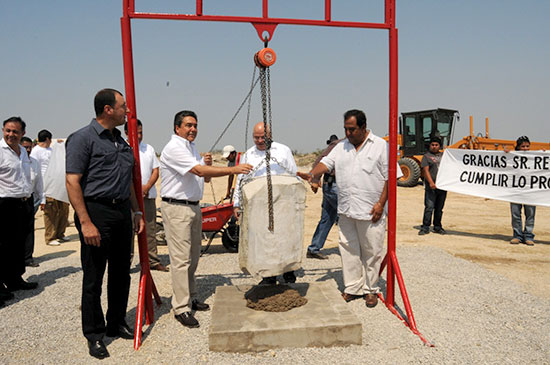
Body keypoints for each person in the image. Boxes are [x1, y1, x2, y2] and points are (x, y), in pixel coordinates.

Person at [65, 88, 145, 359]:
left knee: (121, 272)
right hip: (95, 212)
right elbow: (72, 181)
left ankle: (115, 322)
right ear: (108, 110)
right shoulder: (82, 139)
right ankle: (94, 334)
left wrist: (136, 212)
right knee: (94, 277)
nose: (127, 111)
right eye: (123, 107)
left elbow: (129, 182)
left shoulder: (120, 142)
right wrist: (86, 222)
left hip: (122, 212)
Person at [160, 110, 252, 329]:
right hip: (177, 208)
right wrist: (234, 169)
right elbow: (200, 172)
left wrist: (206, 165)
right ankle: (181, 307)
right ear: (177, 128)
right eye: (188, 125)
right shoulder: (173, 148)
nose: (193, 129)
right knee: (181, 260)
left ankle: (190, 296)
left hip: (193, 207)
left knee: (193, 256)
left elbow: (204, 177)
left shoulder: (190, 148)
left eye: (195, 125)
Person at [302, 109, 401, 308]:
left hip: (371, 211)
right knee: (349, 249)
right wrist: (313, 174)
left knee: (371, 251)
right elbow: (326, 163)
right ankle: (353, 288)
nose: (348, 133)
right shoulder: (341, 147)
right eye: (345, 129)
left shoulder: (381, 147)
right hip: (346, 209)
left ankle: (371, 289)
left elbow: (390, 177)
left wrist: (381, 204)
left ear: (363, 127)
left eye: (352, 129)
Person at [233, 122, 299, 284]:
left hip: (282, 203)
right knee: (264, 240)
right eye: (256, 138)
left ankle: (288, 269)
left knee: (284, 238)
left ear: (270, 135)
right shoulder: (248, 155)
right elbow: (240, 180)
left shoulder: (283, 151)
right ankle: (269, 275)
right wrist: (237, 203)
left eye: (263, 137)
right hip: (258, 206)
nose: (260, 140)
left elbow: (294, 174)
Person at [0, 117, 38, 308]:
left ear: (22, 133)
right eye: (7, 131)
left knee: (18, 244)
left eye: (15, 132)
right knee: (2, 246)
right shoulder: (0, 151)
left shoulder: (23, 151)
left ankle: (15, 279)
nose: (10, 135)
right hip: (4, 204)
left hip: (23, 203)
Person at [124, 120, 168, 272]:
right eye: (136, 133)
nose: (139, 136)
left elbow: (156, 170)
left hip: (147, 196)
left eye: (141, 132)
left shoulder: (148, 149)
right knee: (127, 232)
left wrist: (147, 186)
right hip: (128, 198)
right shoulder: (122, 149)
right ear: (127, 133)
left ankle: (153, 261)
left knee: (150, 229)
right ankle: (125, 263)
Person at [31, 129, 70, 246]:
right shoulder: (36, 151)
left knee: (63, 209)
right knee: (50, 211)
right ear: (47, 139)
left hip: (58, 183)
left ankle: (60, 233)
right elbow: (35, 168)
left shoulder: (51, 149)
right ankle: (50, 237)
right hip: (46, 185)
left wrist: (60, 145)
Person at [306, 134, 340, 260]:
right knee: (346, 217)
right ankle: (353, 249)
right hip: (333, 186)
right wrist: (314, 179)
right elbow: (320, 160)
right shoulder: (339, 145)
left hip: (332, 186)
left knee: (327, 218)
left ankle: (314, 248)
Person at [21, 136, 45, 267]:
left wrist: (43, 198)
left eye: (30, 147)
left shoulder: (34, 162)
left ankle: (27, 258)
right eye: (25, 147)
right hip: (12, 200)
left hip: (29, 199)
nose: (28, 150)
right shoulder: (12, 160)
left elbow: (39, 182)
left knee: (29, 229)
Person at [510, 136, 536, 246]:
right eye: (523, 146)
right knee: (516, 214)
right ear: (518, 148)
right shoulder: (512, 157)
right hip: (516, 191)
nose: (525, 148)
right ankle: (517, 236)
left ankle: (528, 236)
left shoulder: (535, 157)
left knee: (530, 214)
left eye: (527, 146)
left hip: (530, 191)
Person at [418, 136, 447, 235]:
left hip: (442, 186)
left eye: (436, 145)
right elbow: (425, 171)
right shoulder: (426, 157)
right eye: (432, 145)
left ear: (439, 146)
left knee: (439, 208)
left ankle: (437, 226)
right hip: (431, 187)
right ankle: (425, 227)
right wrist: (431, 183)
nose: (434, 147)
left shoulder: (444, 156)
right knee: (429, 207)